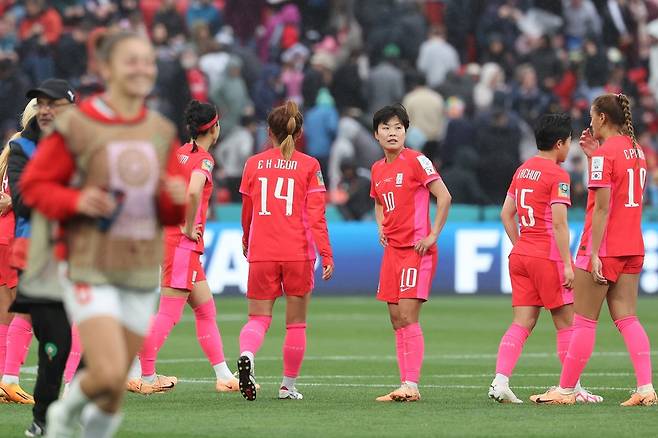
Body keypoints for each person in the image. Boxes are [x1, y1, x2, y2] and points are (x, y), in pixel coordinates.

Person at [20, 31, 186, 437]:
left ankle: (63, 415)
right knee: (110, 371)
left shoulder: (160, 130)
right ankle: (57, 419)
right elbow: (34, 187)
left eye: (148, 61)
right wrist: (76, 201)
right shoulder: (77, 124)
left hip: (141, 270)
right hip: (87, 264)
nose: (142, 69)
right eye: (132, 61)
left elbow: (167, 210)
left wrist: (175, 201)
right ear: (107, 69)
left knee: (111, 387)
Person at [530, 94, 656, 406]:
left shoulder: (605, 155)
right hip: (632, 244)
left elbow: (601, 208)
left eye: (591, 115)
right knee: (627, 318)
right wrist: (591, 157)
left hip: (604, 246)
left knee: (583, 320)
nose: (589, 122)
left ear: (601, 118)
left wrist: (595, 252)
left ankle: (566, 389)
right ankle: (646, 388)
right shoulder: (637, 151)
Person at [127, 100, 240, 395]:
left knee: (205, 310)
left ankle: (224, 375)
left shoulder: (175, 155)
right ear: (213, 128)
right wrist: (187, 226)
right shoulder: (203, 160)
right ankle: (142, 374)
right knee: (168, 314)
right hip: (183, 245)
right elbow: (192, 191)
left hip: (173, 243)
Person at [488, 114, 602, 404]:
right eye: (569, 143)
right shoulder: (557, 175)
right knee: (567, 324)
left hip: (522, 254)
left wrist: (521, 245)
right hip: (547, 255)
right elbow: (560, 224)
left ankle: (500, 382)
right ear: (560, 143)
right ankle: (571, 388)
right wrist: (566, 263)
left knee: (521, 322)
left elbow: (505, 213)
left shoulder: (523, 169)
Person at [237, 100, 334, 401]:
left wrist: (245, 239)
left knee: (258, 318)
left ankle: (248, 354)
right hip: (298, 252)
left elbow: (247, 210)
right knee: (296, 322)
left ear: (269, 131)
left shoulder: (253, 164)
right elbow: (317, 215)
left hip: (262, 251)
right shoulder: (310, 165)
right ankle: (287, 386)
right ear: (300, 131)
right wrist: (326, 253)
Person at [370, 104, 452, 402]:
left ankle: (411, 384)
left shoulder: (418, 160)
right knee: (395, 318)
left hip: (416, 250)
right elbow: (379, 201)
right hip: (392, 251)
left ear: (406, 132)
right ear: (376, 134)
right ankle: (405, 385)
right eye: (386, 128)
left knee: (407, 315)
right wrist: (380, 225)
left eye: (398, 128)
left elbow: (444, 197)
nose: (392, 133)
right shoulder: (378, 169)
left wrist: (433, 235)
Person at [0, 99, 37, 405]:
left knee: (5, 316)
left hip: (3, 235)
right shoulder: (30, 148)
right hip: (16, 235)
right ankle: (9, 379)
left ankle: (4, 382)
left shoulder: (12, 147)